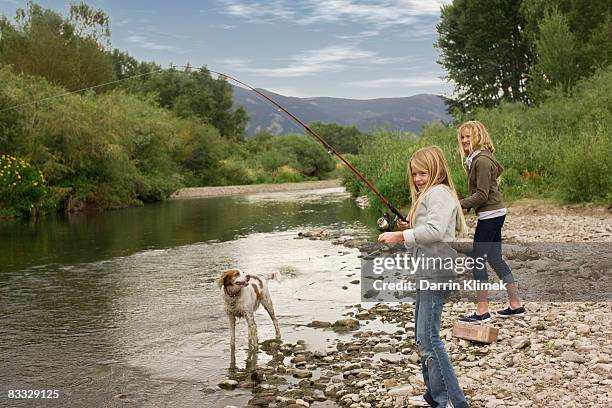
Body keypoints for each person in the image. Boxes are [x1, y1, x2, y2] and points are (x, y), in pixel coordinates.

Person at [379, 146, 469, 408]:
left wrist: (400, 235)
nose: (418, 178)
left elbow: (436, 230)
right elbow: (423, 236)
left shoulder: (439, 193)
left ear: (436, 170)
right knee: (422, 338)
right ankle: (434, 394)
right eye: (414, 173)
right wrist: (409, 231)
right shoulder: (427, 194)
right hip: (426, 270)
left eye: (423, 172)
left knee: (430, 338)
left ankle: (452, 401)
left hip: (437, 271)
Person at [456, 120, 525, 323]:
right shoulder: (478, 158)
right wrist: (467, 205)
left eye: (469, 136)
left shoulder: (482, 160)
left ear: (479, 136)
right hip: (494, 213)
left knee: (477, 259)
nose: (465, 140)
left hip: (491, 214)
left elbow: (482, 195)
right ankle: (516, 305)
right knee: (494, 258)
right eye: (462, 137)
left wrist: (457, 204)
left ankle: (482, 311)